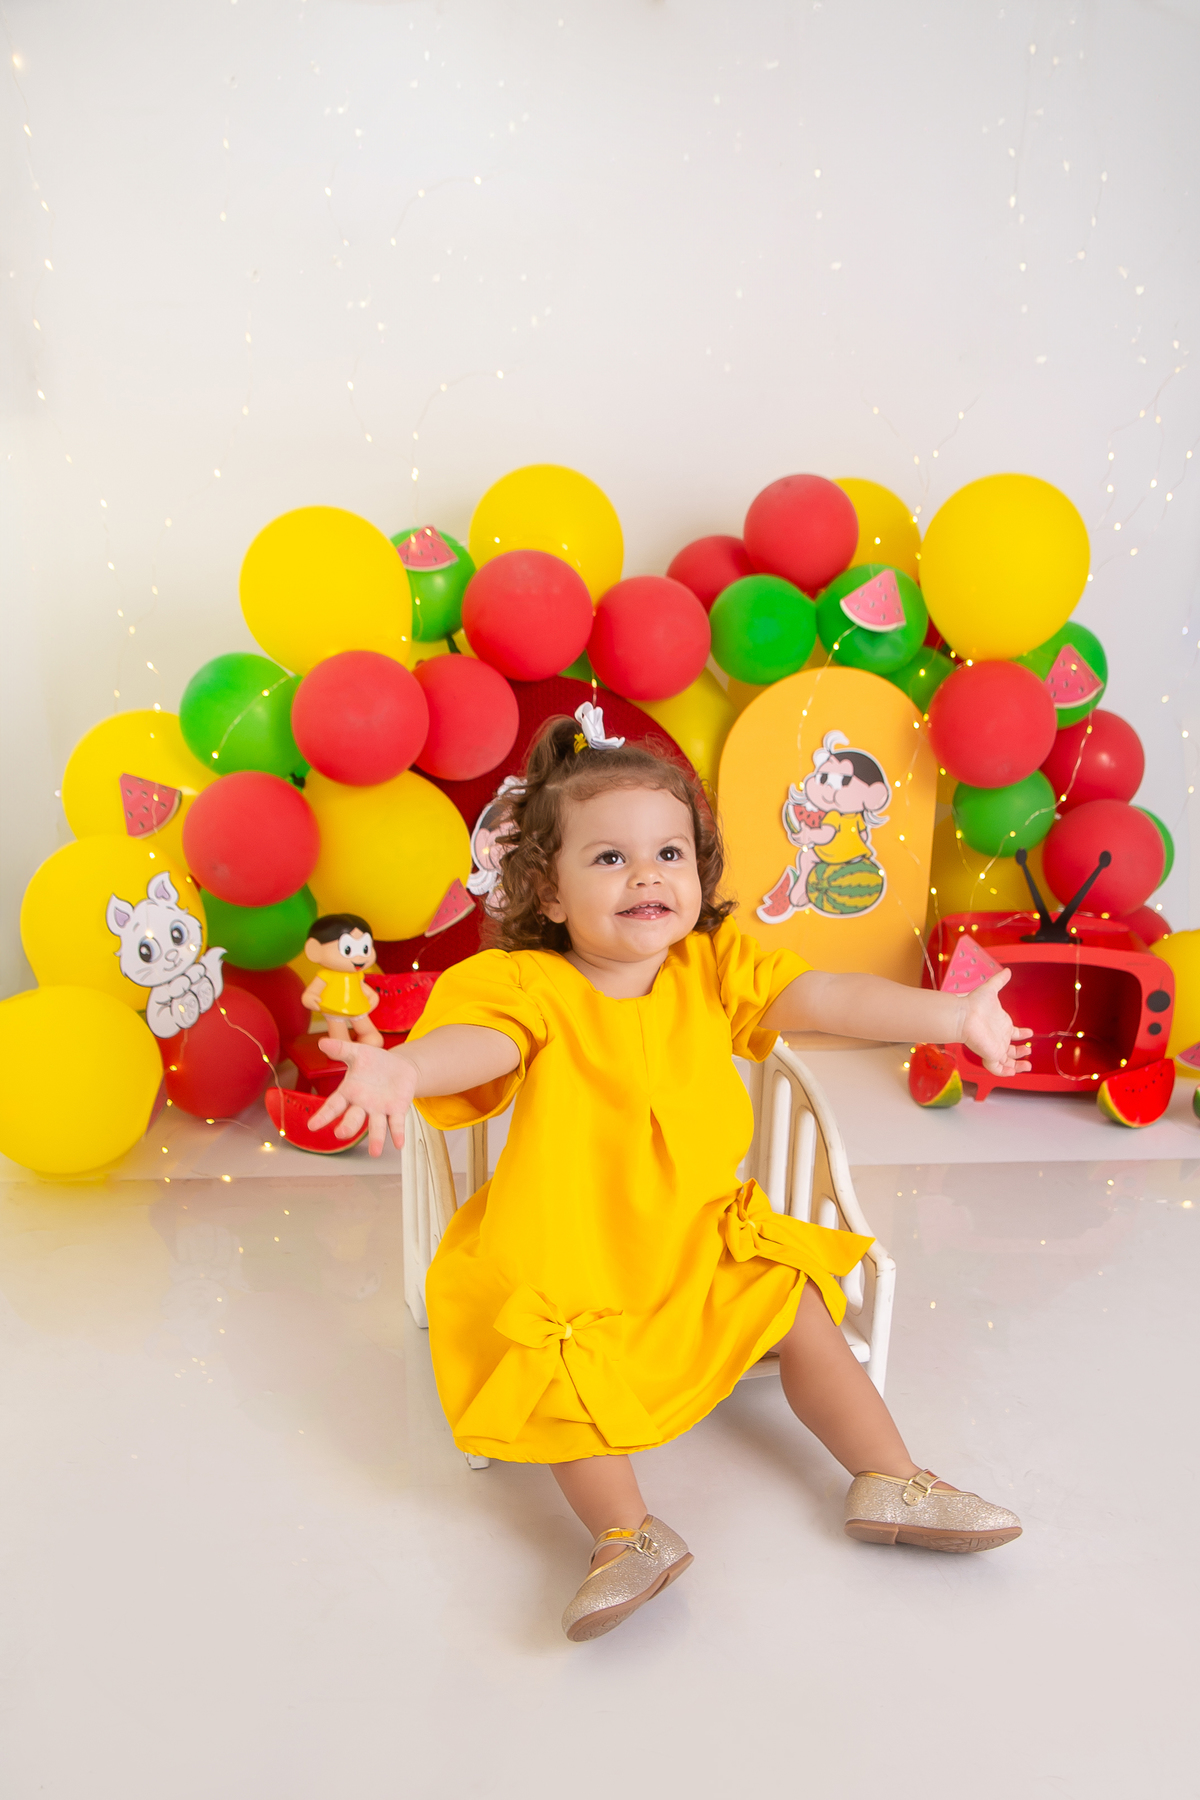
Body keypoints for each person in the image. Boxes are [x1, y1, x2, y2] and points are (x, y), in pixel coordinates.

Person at [308, 704, 1030, 1642]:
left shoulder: (712, 966)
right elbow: (480, 1045)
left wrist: (950, 1016)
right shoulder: (528, 988)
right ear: (550, 893)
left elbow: (827, 996)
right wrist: (407, 1068)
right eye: (610, 857)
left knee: (794, 1302)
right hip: (569, 1250)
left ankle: (889, 1475)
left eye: (670, 853)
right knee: (559, 1373)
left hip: (692, 1233)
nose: (647, 874)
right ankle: (626, 1535)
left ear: (699, 873)